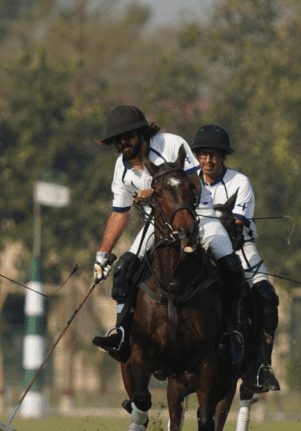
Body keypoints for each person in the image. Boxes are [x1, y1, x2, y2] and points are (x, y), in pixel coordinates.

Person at [91, 105, 246, 366]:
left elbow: (194, 184)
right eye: (117, 140)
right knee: (125, 270)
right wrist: (102, 254)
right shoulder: (122, 168)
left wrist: (154, 193)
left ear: (142, 133)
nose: (122, 144)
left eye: (127, 136)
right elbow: (119, 213)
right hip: (158, 224)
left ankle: (233, 333)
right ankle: (121, 333)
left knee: (230, 264)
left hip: (199, 215)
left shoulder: (171, 144)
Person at [192, 124, 281, 392]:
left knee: (266, 295)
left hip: (239, 245)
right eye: (204, 154)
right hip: (198, 249)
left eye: (214, 155)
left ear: (224, 157)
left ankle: (264, 366)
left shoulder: (239, 182)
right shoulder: (188, 182)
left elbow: (236, 224)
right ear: (197, 156)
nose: (208, 160)